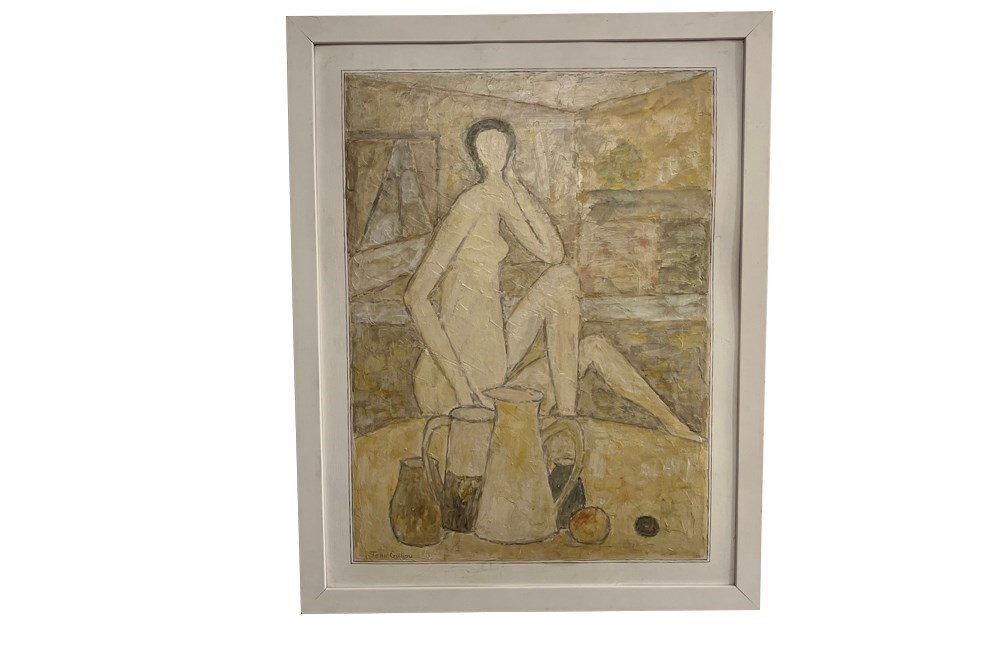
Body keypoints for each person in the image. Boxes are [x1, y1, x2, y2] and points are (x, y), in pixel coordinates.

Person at [403, 118, 702, 442]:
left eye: (501, 146)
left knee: (572, 298)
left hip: (495, 365)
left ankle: (587, 419)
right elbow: (414, 297)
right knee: (564, 282)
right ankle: (565, 427)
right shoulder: (470, 203)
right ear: (475, 153)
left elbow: (553, 253)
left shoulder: (501, 196)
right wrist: (462, 392)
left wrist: (517, 187)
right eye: (485, 147)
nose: (494, 154)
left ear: (510, 153)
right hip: (455, 380)